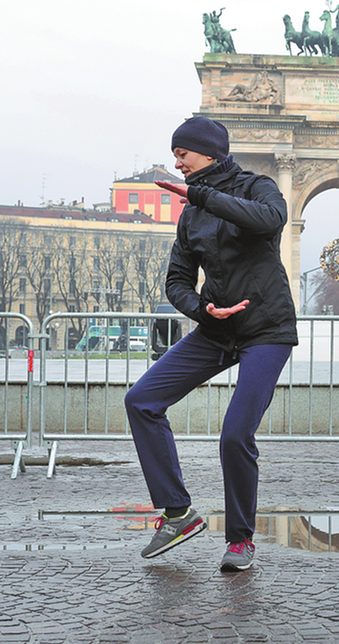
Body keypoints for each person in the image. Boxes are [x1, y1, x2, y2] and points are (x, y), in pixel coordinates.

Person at [125, 116, 297, 573]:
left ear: (209, 152)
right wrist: (203, 310)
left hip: (266, 330)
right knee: (141, 400)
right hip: (216, 330)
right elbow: (177, 281)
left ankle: (240, 540)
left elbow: (271, 220)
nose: (177, 163)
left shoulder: (258, 187)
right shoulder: (191, 215)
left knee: (235, 434)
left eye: (182, 153)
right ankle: (178, 513)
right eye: (175, 155)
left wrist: (200, 195)